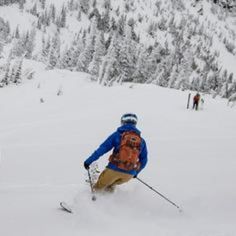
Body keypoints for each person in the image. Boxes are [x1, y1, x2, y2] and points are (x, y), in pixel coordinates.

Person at [83, 113, 148, 193]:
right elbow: (144, 160)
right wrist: (135, 173)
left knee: (97, 190)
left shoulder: (117, 135)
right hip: (129, 175)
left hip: (113, 170)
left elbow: (102, 149)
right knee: (110, 186)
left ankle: (90, 204)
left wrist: (88, 161)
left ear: (122, 122)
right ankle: (109, 204)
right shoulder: (141, 141)